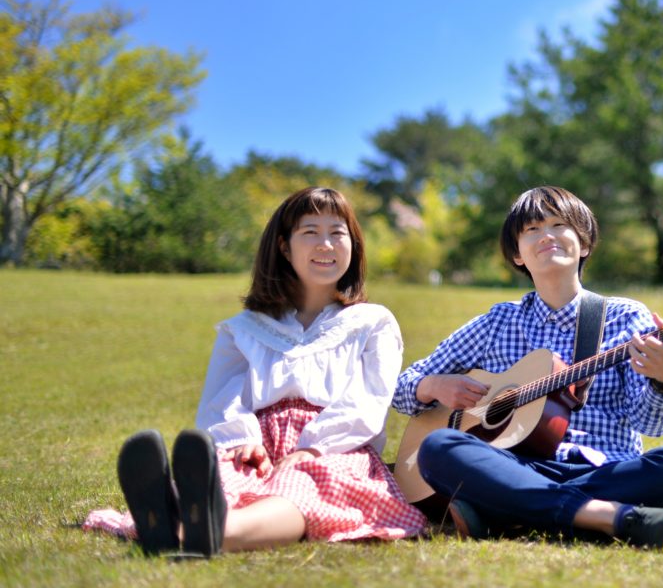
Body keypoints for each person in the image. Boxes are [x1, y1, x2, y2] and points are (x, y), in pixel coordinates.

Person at [84, 187, 427, 556]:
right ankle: (180, 516)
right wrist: (240, 439)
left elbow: (369, 400)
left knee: (301, 490)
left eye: (337, 233)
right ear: (284, 247)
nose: (325, 244)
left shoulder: (372, 322)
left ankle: (203, 530)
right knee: (231, 478)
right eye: (310, 232)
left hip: (335, 446)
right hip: (255, 441)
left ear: (354, 246)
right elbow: (225, 395)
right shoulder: (245, 328)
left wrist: (313, 448)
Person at [391, 186, 663, 549]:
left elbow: (651, 424)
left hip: (605, 469)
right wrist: (432, 387)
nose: (547, 236)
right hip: (514, 467)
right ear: (517, 254)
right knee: (439, 446)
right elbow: (403, 388)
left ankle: (505, 511)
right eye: (532, 230)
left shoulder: (625, 318)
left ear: (584, 244)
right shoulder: (496, 323)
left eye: (559, 225)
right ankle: (608, 516)